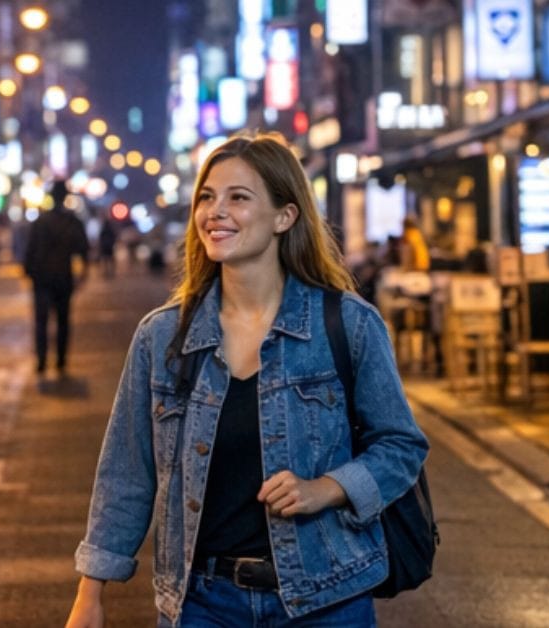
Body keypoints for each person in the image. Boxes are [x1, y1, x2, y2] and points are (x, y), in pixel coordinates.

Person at [66, 134, 429, 627]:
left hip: (326, 599)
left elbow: (401, 445)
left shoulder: (347, 324)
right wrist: (91, 593)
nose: (216, 212)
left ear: (285, 216)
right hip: (203, 603)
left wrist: (328, 487)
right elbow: (127, 472)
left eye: (238, 197)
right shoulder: (162, 337)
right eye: (207, 198)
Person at [23, 179, 89, 376]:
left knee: (41, 320)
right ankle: (60, 360)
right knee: (63, 320)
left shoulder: (40, 222)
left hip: (42, 277)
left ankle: (42, 360)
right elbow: (83, 249)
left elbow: (30, 251)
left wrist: (29, 272)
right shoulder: (72, 221)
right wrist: (82, 274)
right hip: (63, 277)